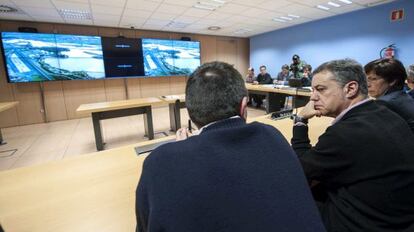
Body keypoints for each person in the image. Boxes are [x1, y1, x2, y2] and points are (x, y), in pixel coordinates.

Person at [136, 61, 326, 232]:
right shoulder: (271, 134)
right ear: (244, 106)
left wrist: (181, 152)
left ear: (190, 110)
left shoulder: (160, 160)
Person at [291, 59, 414, 232]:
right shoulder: (384, 112)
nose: (312, 97)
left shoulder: (345, 133)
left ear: (350, 89)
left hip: (368, 224)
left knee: (284, 196)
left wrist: (300, 121)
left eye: (320, 89)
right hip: (398, 216)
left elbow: (300, 170)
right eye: (313, 90)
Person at [364, 58, 414, 133]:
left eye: (373, 79)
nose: (367, 84)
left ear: (392, 80)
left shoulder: (384, 103)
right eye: (366, 79)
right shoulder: (402, 96)